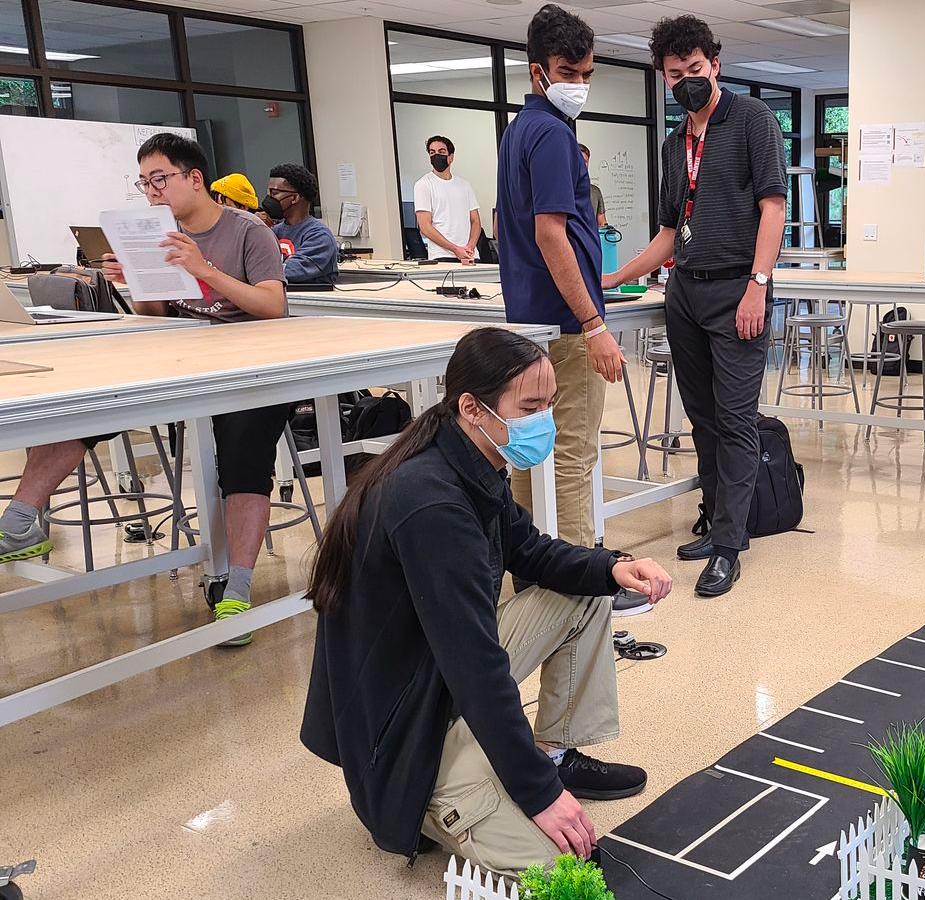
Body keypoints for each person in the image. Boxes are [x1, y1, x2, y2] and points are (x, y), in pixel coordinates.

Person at [300, 327, 670, 877]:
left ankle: (556, 755)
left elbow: (528, 548)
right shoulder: (431, 502)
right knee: (560, 869)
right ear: (472, 407)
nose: (542, 420)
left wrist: (613, 566)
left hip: (431, 686)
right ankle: (441, 800)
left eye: (549, 404)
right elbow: (475, 669)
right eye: (529, 406)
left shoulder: (469, 459)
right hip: (405, 742)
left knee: (592, 591)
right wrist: (540, 796)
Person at [0, 133, 290, 645]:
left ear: (193, 178)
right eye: (145, 183)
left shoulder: (247, 233)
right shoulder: (161, 234)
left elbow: (273, 307)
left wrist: (205, 269)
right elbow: (158, 315)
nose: (152, 192)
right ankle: (21, 519)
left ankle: (237, 587)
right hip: (181, 363)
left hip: (251, 368)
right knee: (91, 401)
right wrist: (133, 283)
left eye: (160, 179)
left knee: (245, 454)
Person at [603, 15, 786, 598]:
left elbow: (773, 209)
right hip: (684, 291)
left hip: (738, 290)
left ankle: (730, 547)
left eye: (696, 70)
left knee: (735, 420)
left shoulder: (753, 120)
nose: (687, 81)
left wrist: (758, 283)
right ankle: (717, 520)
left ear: (716, 65)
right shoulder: (672, 141)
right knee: (702, 417)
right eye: (675, 74)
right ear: (664, 78)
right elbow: (667, 233)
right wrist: (612, 276)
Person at [499, 6, 632, 598]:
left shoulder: (520, 130)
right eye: (567, 71)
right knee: (573, 458)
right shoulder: (552, 134)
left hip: (532, 320)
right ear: (538, 72)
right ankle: (581, 594)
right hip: (565, 327)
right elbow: (551, 232)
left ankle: (535, 574)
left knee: (535, 460)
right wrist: (594, 322)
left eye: (586, 71)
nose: (579, 83)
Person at [265, 163, 338, 285]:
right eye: (269, 193)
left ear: (294, 198)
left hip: (308, 303)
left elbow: (293, 270)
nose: (269, 199)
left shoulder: (319, 235)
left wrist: (256, 271)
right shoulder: (273, 231)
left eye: (274, 193)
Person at [415, 135, 482, 264]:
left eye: (441, 152)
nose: (436, 156)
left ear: (451, 157)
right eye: (432, 152)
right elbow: (424, 226)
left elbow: (475, 221)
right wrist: (455, 249)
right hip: (442, 256)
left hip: (470, 255)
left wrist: (470, 246)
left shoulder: (465, 185)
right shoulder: (423, 184)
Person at [578, 144, 607, 229]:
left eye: (585, 162)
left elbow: (602, 223)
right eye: (580, 161)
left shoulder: (595, 191)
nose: (583, 165)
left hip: (590, 240)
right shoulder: (563, 190)